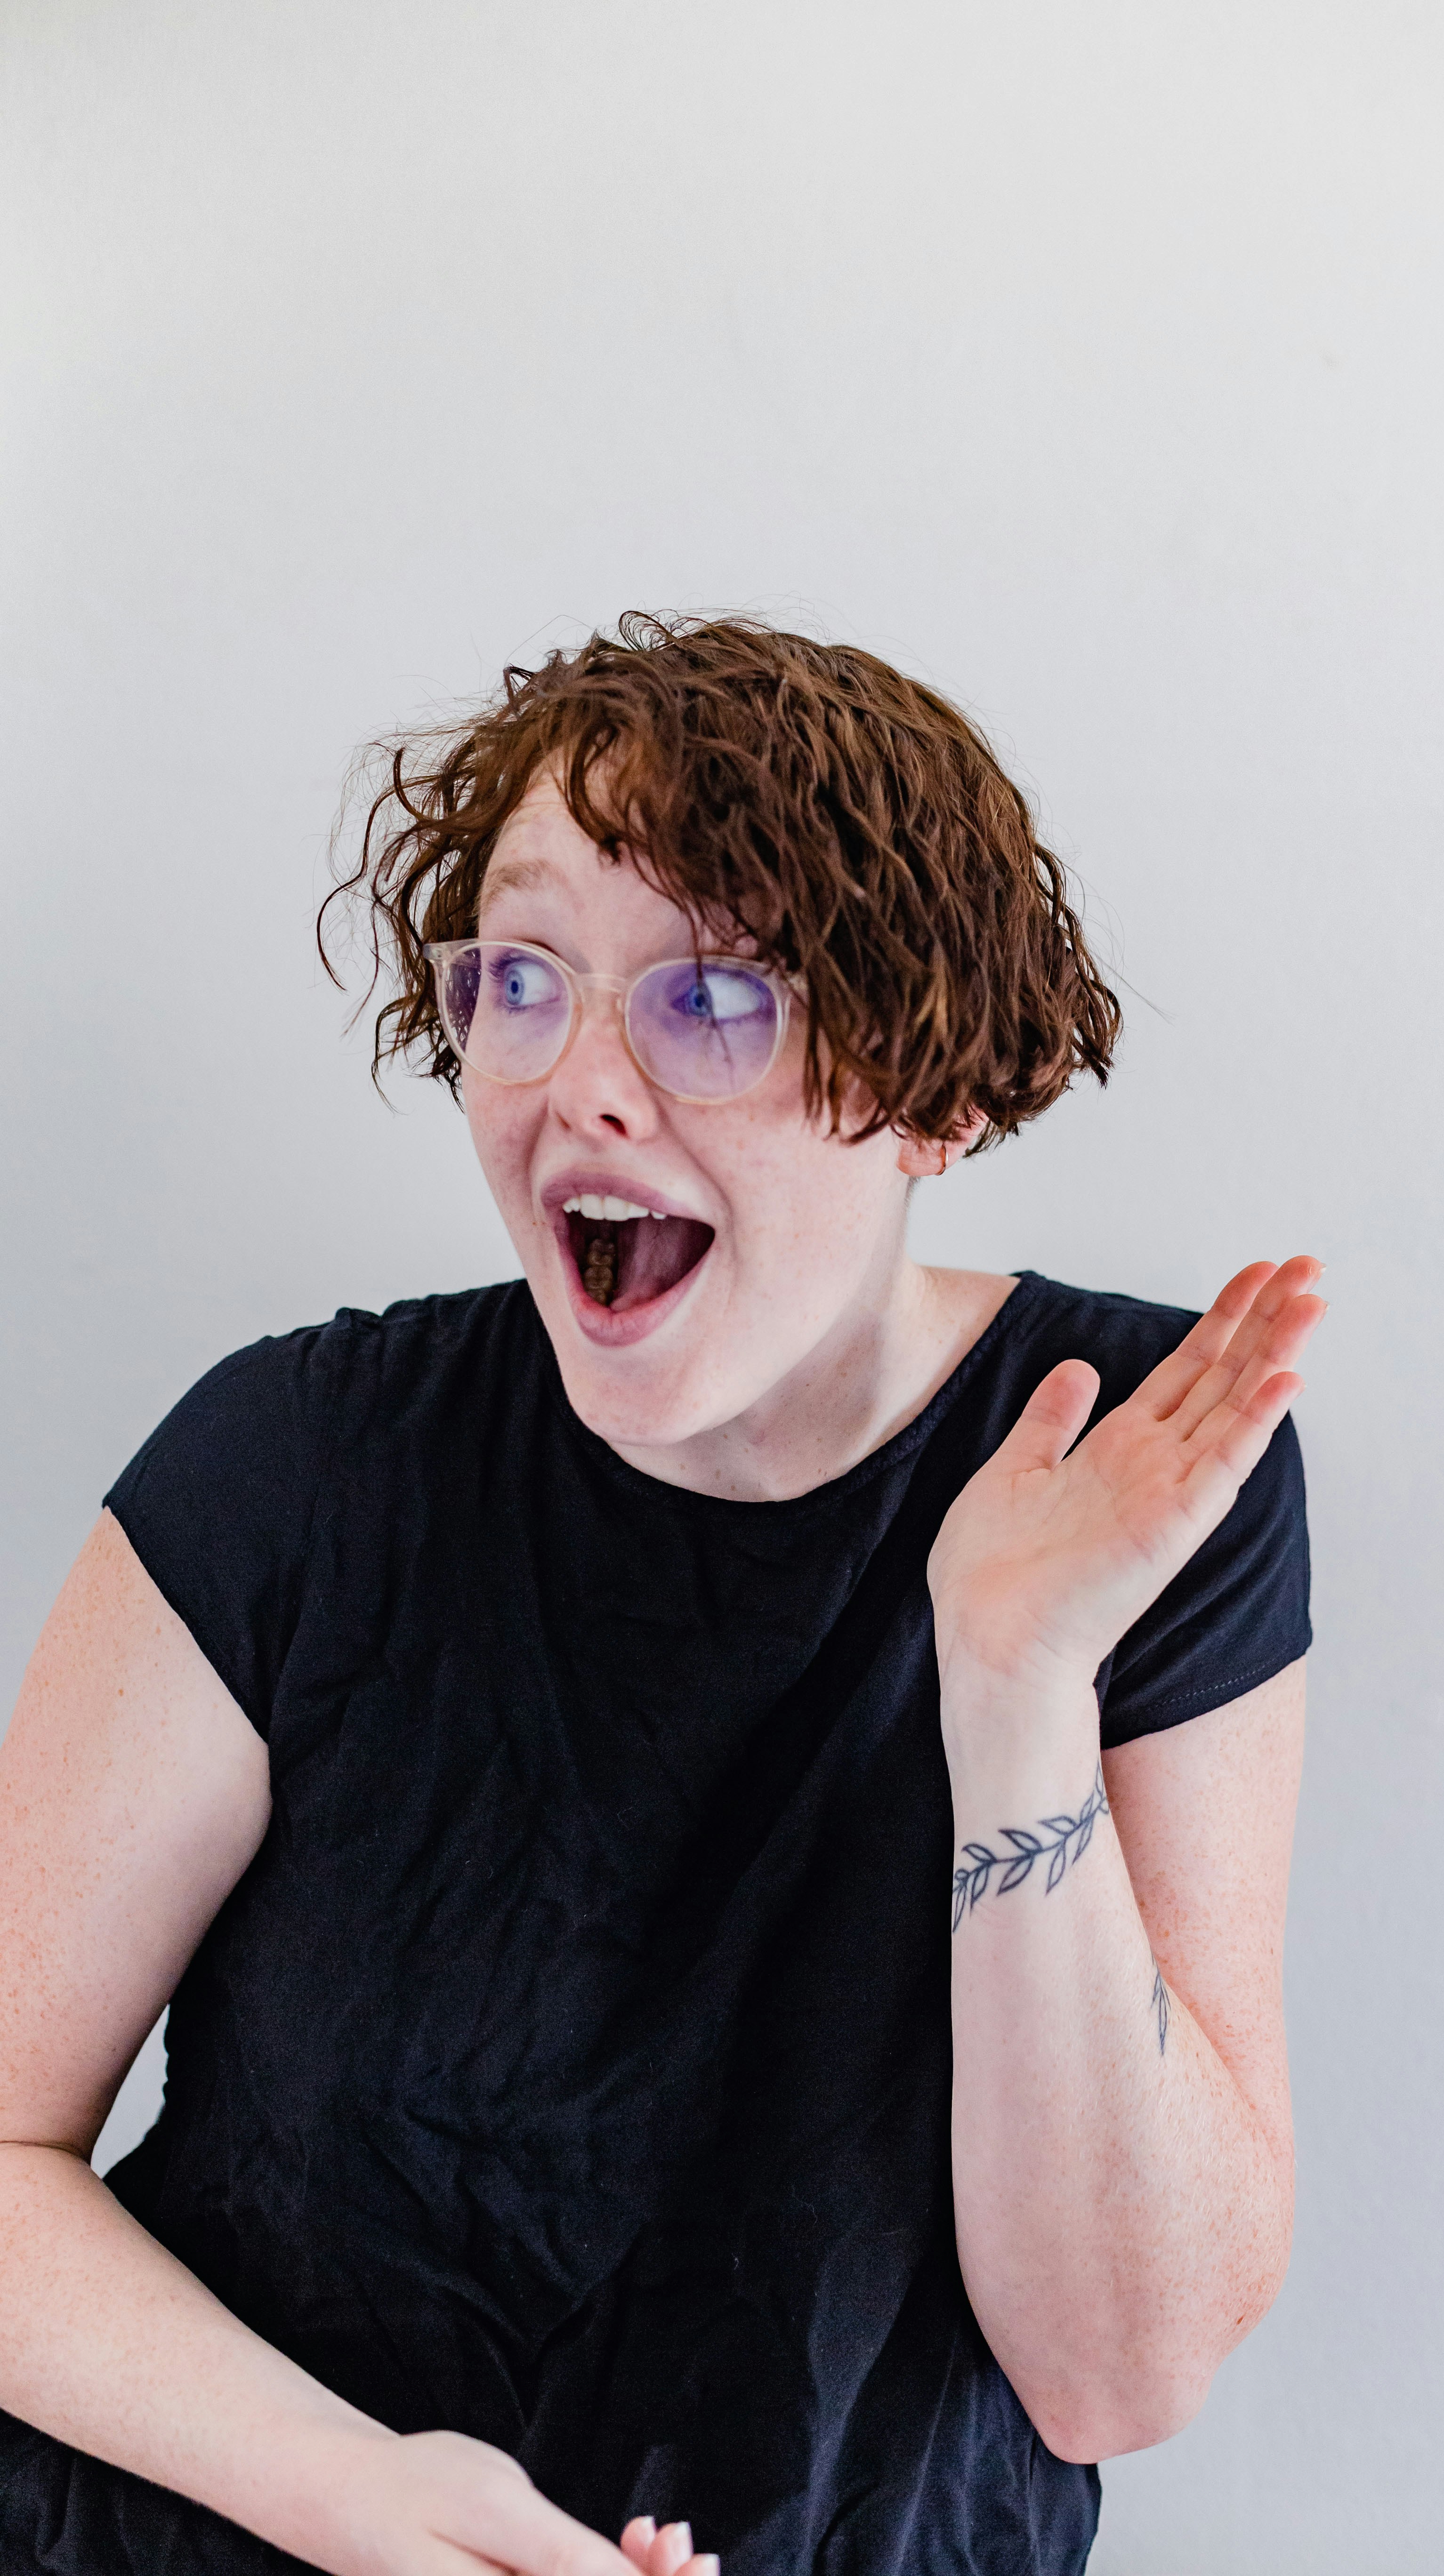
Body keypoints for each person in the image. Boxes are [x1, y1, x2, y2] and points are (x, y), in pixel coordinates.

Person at [0, 616, 1324, 2576]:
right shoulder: (294, 1463)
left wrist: (1021, 1685)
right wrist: (361, 2498)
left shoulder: (1134, 1469)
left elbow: (1115, 2373)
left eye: (712, 996)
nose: (583, 1088)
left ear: (934, 1092)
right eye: (522, 981)